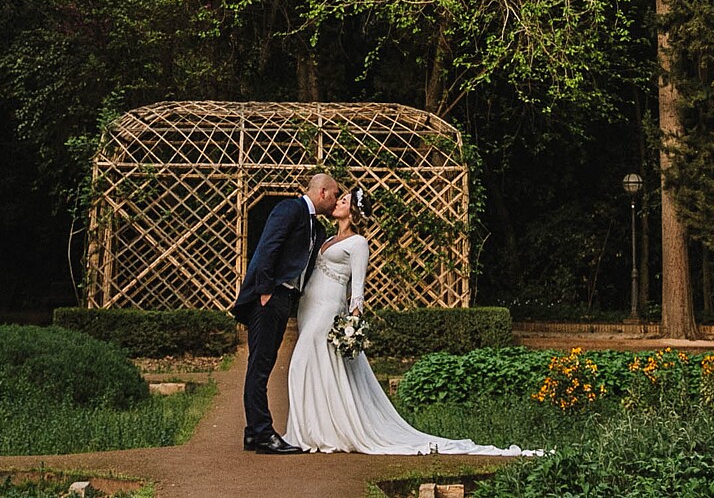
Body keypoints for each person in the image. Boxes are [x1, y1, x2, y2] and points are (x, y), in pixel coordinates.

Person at [284, 186, 538, 456]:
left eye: (343, 200)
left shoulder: (359, 244)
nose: (337, 203)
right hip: (309, 308)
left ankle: (314, 430)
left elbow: (357, 290)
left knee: (301, 363)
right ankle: (316, 429)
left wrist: (353, 324)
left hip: (327, 310)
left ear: (353, 211)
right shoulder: (326, 238)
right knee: (317, 369)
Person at [230, 170, 339, 454]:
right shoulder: (290, 208)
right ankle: (263, 433)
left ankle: (253, 433)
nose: (337, 199)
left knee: (263, 363)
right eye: (335, 194)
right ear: (323, 192)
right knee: (260, 364)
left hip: (284, 298)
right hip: (269, 296)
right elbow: (268, 247)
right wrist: (265, 290)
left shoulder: (318, 228)